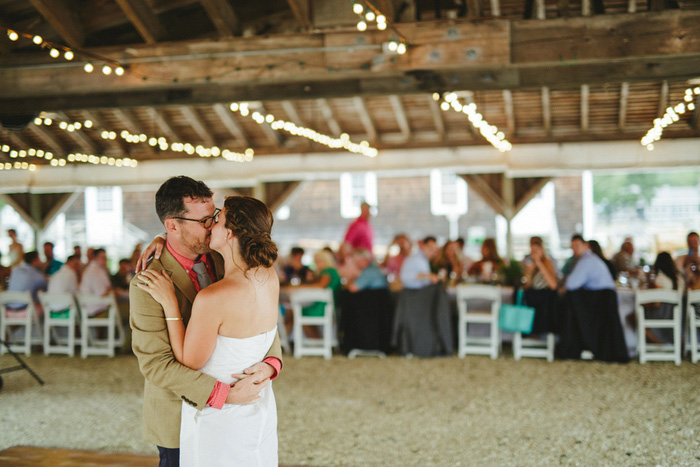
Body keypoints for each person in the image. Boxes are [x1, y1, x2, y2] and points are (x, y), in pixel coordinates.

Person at [129, 176, 282, 466]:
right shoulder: (147, 283)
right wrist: (225, 395)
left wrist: (271, 364)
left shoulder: (226, 255)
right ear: (172, 225)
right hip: (179, 417)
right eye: (203, 221)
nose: (212, 226)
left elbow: (260, 322)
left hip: (244, 410)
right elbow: (155, 364)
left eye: (214, 217)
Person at [7, 250, 48, 315]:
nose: (41, 261)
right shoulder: (37, 275)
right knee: (46, 308)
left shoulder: (15, 271)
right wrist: (42, 270)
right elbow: (46, 289)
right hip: (25, 310)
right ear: (35, 260)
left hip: (8, 310)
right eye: (39, 258)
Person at [79, 248, 113, 317]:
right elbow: (102, 293)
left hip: (93, 308)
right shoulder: (95, 271)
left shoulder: (96, 269)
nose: (105, 260)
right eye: (103, 258)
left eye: (106, 257)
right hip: (96, 311)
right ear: (95, 258)